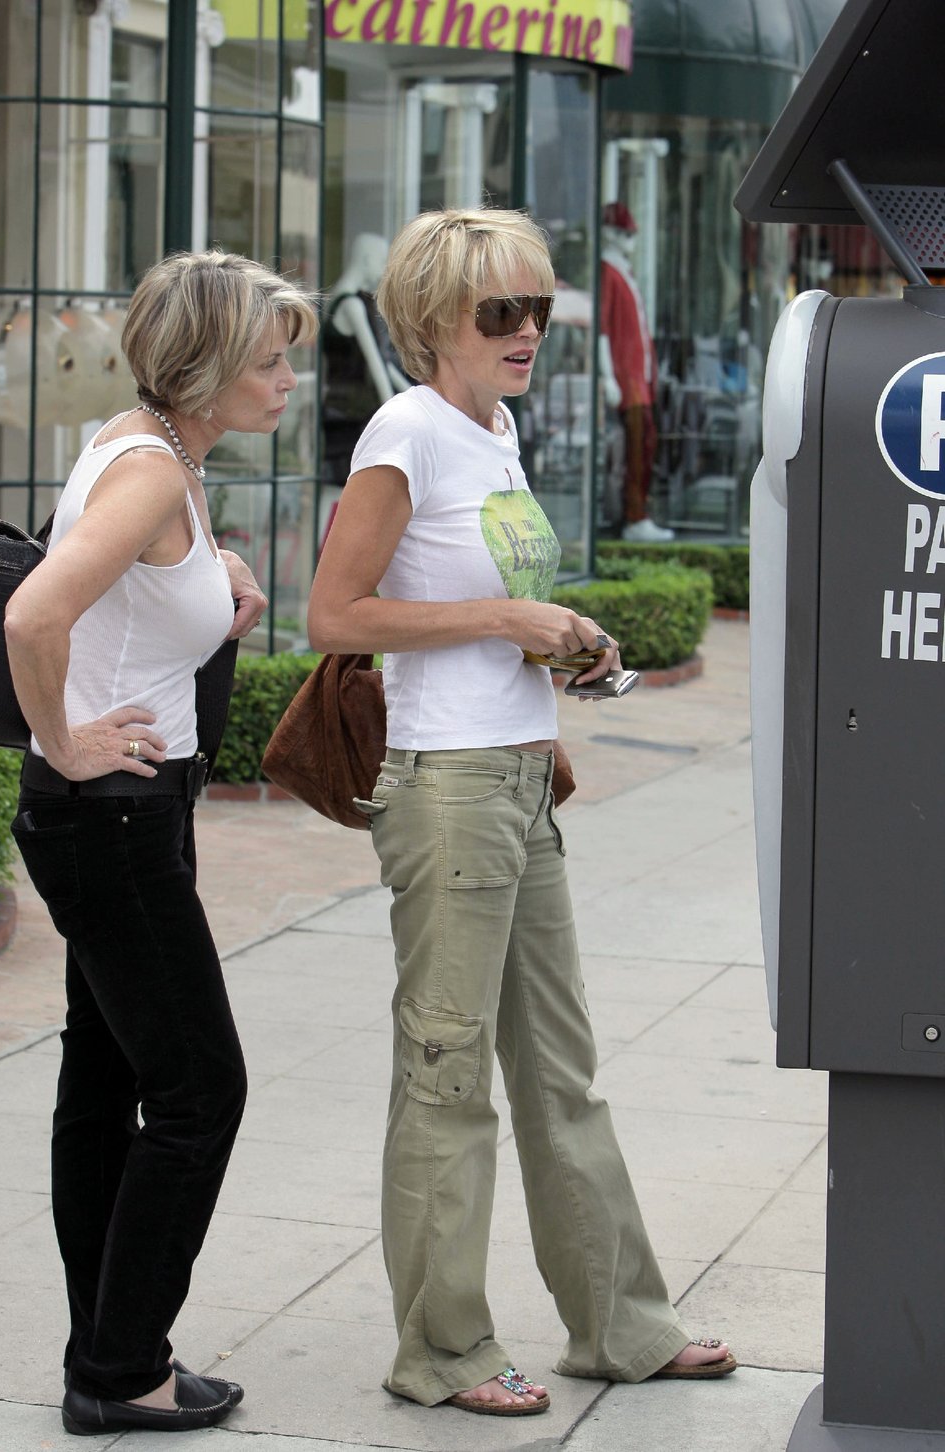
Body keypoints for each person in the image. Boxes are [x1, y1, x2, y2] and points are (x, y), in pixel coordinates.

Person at [306, 207, 735, 1416]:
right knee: (447, 1075)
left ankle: (620, 1327)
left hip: (514, 780)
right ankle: (439, 1350)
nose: (531, 331)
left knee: (560, 1069)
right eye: (503, 312)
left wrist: (571, 651)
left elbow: (499, 612)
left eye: (541, 308)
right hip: (444, 791)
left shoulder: (492, 434)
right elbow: (335, 616)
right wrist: (505, 622)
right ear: (432, 319)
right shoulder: (407, 431)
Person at [4, 250, 317, 1437]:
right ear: (207, 368)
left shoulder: (154, 450)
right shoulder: (145, 472)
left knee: (108, 1079)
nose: (288, 377)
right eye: (271, 358)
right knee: (201, 1092)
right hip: (112, 820)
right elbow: (35, 613)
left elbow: (120, 624)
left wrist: (215, 601)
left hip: (125, 817)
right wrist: (65, 743)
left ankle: (109, 1352)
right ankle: (120, 1366)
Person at [599, 202, 674, 542]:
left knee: (644, 445)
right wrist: (608, 377)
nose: (630, 240)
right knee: (635, 449)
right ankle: (634, 515)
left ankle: (637, 512)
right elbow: (602, 329)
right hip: (626, 378)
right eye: (625, 234)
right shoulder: (608, 273)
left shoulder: (621, 273)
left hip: (637, 378)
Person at [321, 232, 410, 484]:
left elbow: (381, 363)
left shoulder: (341, 301)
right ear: (367, 259)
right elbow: (377, 364)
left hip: (343, 408)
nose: (384, 271)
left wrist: (415, 398)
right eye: (382, 261)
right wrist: (398, 412)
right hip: (350, 412)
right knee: (351, 484)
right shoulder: (351, 305)